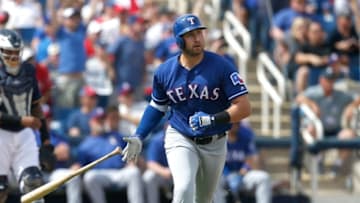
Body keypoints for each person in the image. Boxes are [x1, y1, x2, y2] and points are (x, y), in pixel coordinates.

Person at [121, 13, 251, 203]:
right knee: (183, 188)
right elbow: (157, 107)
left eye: (199, 33)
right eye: (190, 35)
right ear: (179, 41)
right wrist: (140, 135)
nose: (197, 39)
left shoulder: (222, 66)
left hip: (215, 141)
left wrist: (212, 119)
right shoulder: (165, 71)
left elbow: (244, 108)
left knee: (203, 199)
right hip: (180, 136)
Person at [0, 29, 53, 203]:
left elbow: (36, 106)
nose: (14, 57)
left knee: (34, 184)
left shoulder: (28, 71)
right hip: (1, 135)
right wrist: (21, 119)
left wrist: (46, 141)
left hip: (24, 134)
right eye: (9, 53)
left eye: (16, 53)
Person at [78, 106, 144, 203]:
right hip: (101, 175)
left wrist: (131, 161)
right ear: (91, 122)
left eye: (102, 119)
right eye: (98, 120)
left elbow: (131, 153)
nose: (101, 122)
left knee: (134, 172)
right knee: (89, 177)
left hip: (120, 172)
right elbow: (81, 166)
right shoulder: (85, 144)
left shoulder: (116, 135)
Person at [216, 122, 272, 203]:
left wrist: (242, 172)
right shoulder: (219, 139)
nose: (235, 126)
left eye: (237, 123)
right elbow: (216, 162)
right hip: (223, 177)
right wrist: (227, 174)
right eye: (233, 123)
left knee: (264, 178)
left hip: (242, 176)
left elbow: (251, 159)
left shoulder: (245, 137)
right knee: (215, 182)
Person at [143, 130, 173, 203]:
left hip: (178, 175)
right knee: (149, 176)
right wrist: (164, 171)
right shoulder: (157, 140)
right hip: (164, 175)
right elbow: (151, 163)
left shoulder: (184, 139)